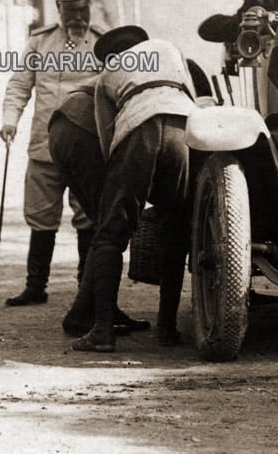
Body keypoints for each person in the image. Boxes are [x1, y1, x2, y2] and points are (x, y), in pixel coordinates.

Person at [71, 25, 196, 353]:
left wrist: (127, 187)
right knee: (175, 230)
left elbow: (107, 139)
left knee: (110, 234)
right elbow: (192, 95)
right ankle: (167, 329)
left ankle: (102, 332)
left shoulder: (107, 75)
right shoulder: (168, 48)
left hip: (138, 126)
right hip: (183, 124)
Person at [0, 0, 103, 307]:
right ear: (58, 9)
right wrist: (9, 120)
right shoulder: (39, 43)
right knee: (41, 216)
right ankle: (35, 286)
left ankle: (85, 288)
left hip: (87, 147)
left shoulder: (104, 43)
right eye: (70, 11)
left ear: (90, 6)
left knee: (88, 216)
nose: (77, 17)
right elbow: (19, 86)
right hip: (45, 146)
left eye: (82, 9)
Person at [48, 85, 150, 337]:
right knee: (111, 226)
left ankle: (93, 309)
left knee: (103, 224)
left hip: (63, 123)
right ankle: (84, 313)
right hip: (86, 130)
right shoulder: (174, 86)